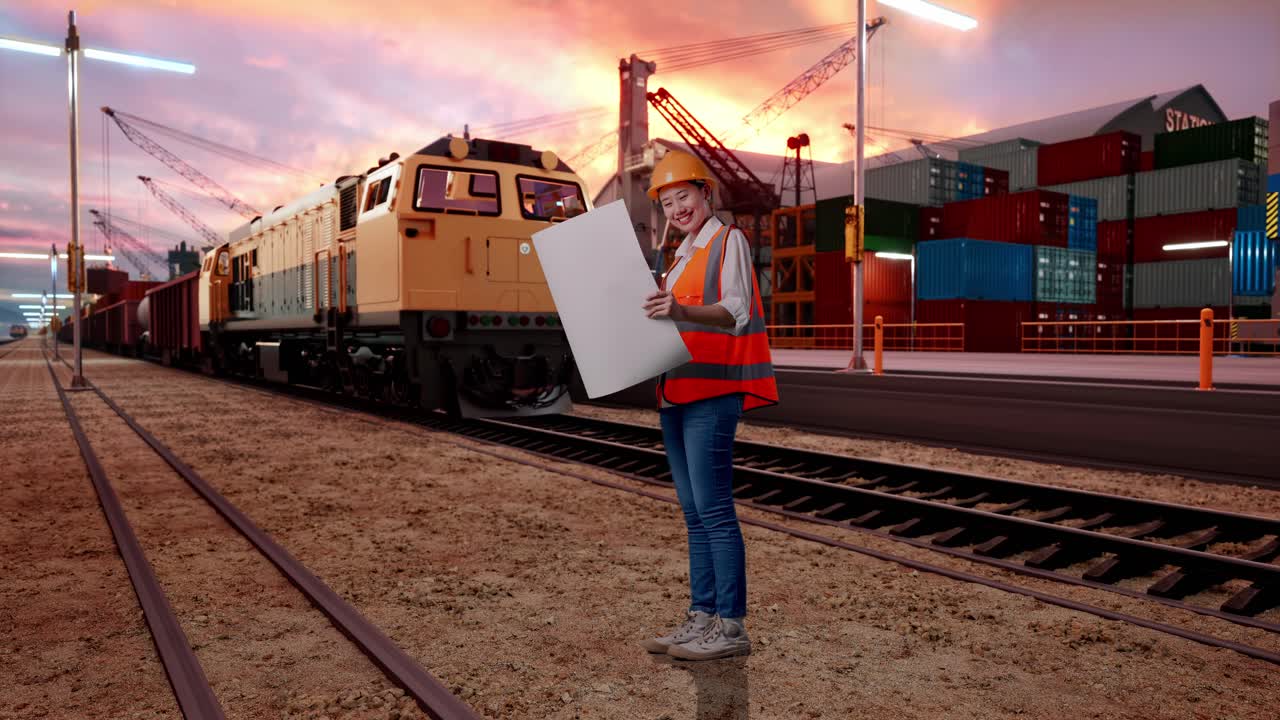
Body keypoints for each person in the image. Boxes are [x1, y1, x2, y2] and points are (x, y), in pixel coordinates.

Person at [638, 150, 779, 661]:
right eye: (667, 201)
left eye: (684, 196)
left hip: (712, 392)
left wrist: (679, 309)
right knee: (694, 513)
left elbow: (736, 311)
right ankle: (702, 618)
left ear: (706, 194)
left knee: (715, 511)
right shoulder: (678, 258)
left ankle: (731, 627)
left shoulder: (728, 241)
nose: (677, 207)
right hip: (675, 392)